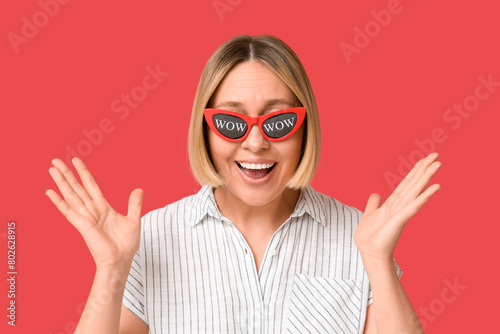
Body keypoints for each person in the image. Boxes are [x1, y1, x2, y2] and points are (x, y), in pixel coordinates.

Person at [46, 34, 441, 333]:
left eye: (278, 121)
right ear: (207, 131)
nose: (255, 142)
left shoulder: (360, 238)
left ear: (305, 129)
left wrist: (377, 262)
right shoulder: (151, 239)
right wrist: (112, 270)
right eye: (232, 124)